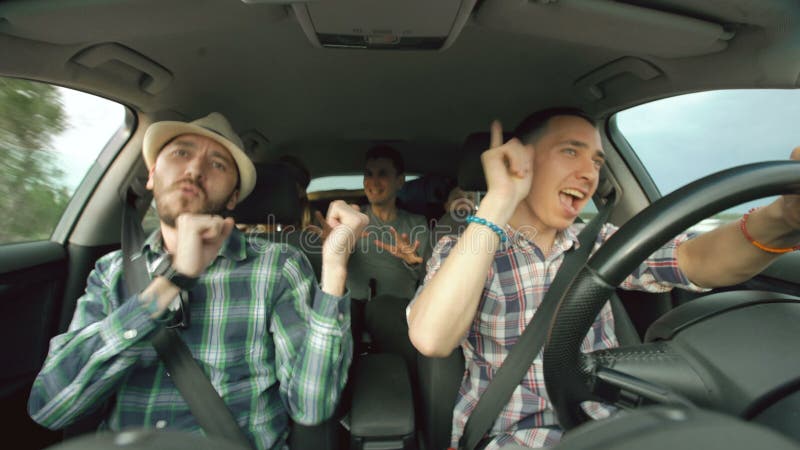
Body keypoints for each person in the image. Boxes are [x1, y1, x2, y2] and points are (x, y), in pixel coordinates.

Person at [407, 107, 800, 449]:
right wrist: (497, 200)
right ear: (521, 162)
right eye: (570, 151)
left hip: (613, 426)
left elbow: (694, 259)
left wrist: (780, 220)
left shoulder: (600, 244)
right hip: (515, 437)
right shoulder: (467, 250)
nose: (588, 172)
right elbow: (431, 337)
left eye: (596, 161)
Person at [28, 112, 369, 450]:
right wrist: (170, 283)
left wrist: (335, 266)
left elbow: (312, 408)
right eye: (181, 153)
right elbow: (49, 407)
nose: (194, 169)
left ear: (233, 197)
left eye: (218, 164)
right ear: (151, 175)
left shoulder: (275, 267)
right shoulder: (111, 272)